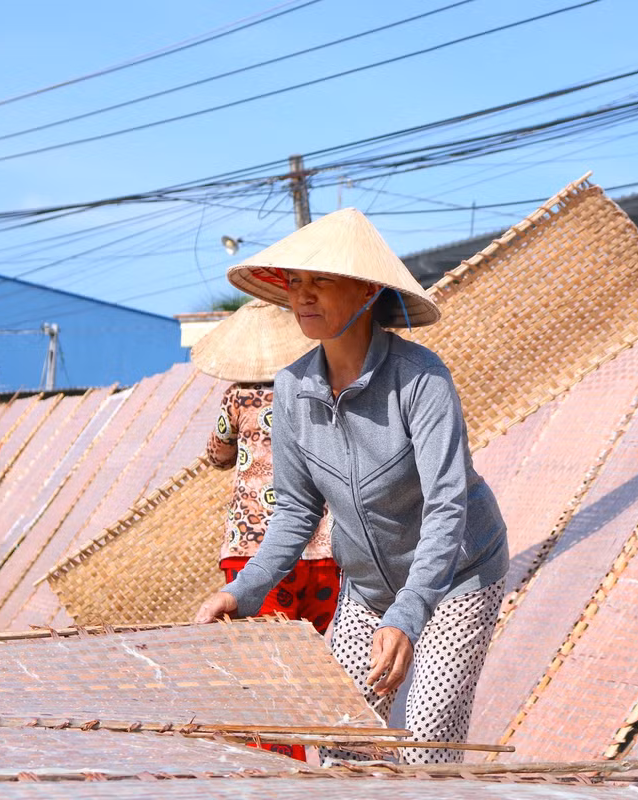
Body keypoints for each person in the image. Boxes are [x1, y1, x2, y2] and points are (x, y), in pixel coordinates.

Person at [194, 208, 509, 764]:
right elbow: (294, 511)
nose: (303, 296)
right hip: (367, 588)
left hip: (458, 575)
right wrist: (240, 592)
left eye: (320, 281)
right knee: (343, 739)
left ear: (365, 291)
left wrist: (409, 616)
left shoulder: (421, 379)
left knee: (424, 738)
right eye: (295, 282)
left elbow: (446, 507)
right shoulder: (292, 388)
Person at [191, 299, 340, 635]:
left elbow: (217, 455)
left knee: (269, 650)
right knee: (312, 652)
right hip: (321, 544)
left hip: (254, 547)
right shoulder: (319, 390)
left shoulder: (238, 397)